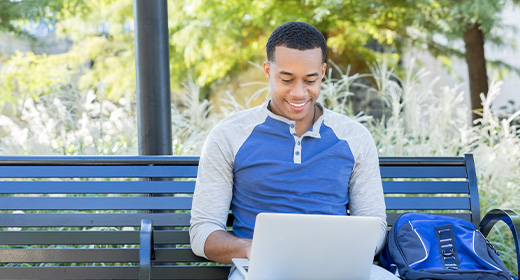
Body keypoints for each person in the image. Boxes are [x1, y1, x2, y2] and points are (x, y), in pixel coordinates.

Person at [189, 21, 398, 280]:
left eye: (310, 80)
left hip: (340, 268)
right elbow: (202, 233)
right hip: (263, 271)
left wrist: (347, 250)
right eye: (286, 79)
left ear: (323, 73)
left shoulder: (354, 137)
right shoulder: (229, 136)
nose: (299, 93)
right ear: (268, 71)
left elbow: (375, 223)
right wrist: (253, 249)